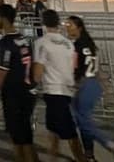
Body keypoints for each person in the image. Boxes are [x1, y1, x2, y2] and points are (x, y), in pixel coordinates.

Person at [65, 16, 114, 161]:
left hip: (84, 85)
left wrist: (75, 85)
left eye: (70, 25)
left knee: (83, 122)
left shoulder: (77, 46)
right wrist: (105, 87)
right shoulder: (89, 43)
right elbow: (95, 66)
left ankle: (113, 146)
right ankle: (89, 155)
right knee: (83, 122)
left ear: (79, 27)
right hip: (93, 85)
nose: (67, 27)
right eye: (66, 24)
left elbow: (76, 68)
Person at [32, 10, 85, 162]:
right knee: (53, 127)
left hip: (53, 89)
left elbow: (38, 71)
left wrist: (35, 81)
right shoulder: (68, 43)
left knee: (68, 129)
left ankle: (81, 158)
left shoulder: (41, 43)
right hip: (67, 88)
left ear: (43, 23)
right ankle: (53, 156)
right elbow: (73, 66)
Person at [0, 4, 36, 162]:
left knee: (18, 137)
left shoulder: (5, 43)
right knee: (25, 134)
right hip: (27, 91)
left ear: (3, 18)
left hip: (14, 94)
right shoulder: (23, 39)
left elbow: (2, 70)